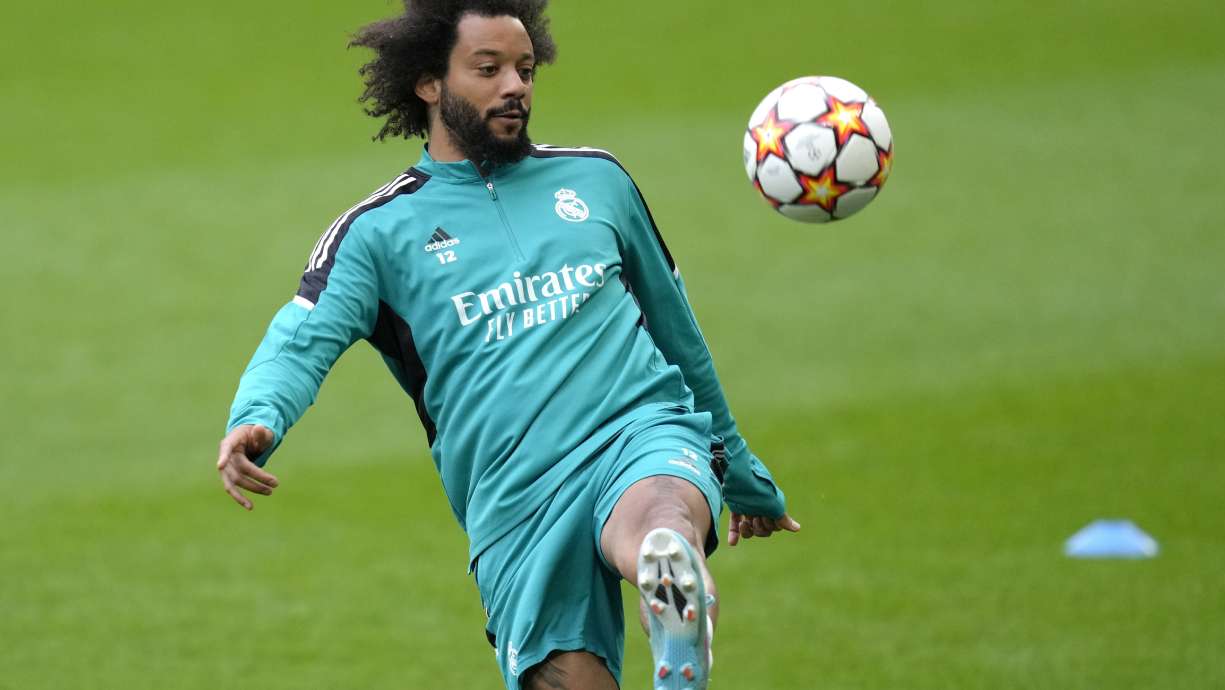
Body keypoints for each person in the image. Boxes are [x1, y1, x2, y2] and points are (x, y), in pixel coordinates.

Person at [214, 1, 800, 688]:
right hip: (517, 491)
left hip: (637, 430)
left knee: (658, 520)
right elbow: (301, 338)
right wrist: (258, 417)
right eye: (487, 69)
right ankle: (664, 576)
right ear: (429, 82)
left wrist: (739, 475)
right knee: (572, 676)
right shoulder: (378, 233)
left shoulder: (598, 181)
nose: (515, 86)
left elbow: (678, 335)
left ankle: (666, 575)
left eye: (524, 69)